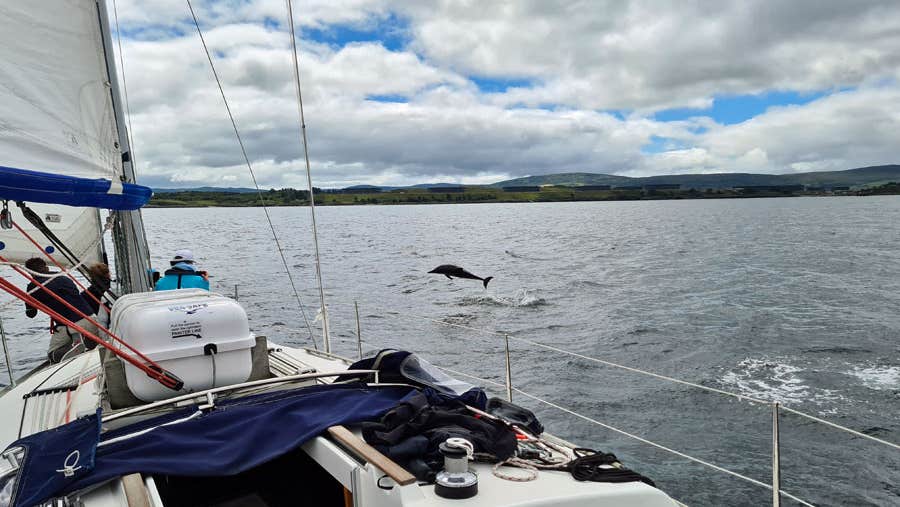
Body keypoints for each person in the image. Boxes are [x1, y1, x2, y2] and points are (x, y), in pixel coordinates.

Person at [23, 257, 99, 363]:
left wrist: (29, 300)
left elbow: (31, 314)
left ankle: (76, 347)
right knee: (93, 341)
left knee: (52, 355)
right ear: (46, 267)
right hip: (91, 319)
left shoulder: (33, 288)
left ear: (30, 273)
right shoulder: (64, 278)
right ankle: (83, 345)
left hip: (70, 325)